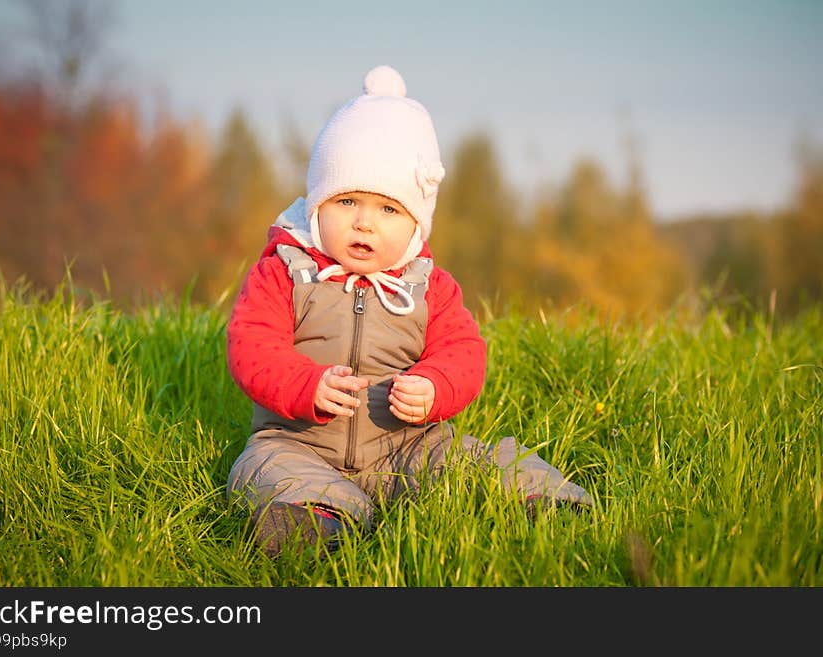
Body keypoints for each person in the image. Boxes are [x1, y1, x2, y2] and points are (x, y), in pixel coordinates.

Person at [225, 65, 593, 557]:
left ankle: (539, 502)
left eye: (388, 209)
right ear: (316, 206)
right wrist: (304, 385)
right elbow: (253, 345)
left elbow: (464, 352)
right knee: (266, 467)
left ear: (416, 223)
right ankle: (314, 522)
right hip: (300, 439)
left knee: (474, 459)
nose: (364, 222)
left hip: (407, 445)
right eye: (347, 200)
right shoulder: (285, 272)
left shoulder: (428, 287)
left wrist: (435, 387)